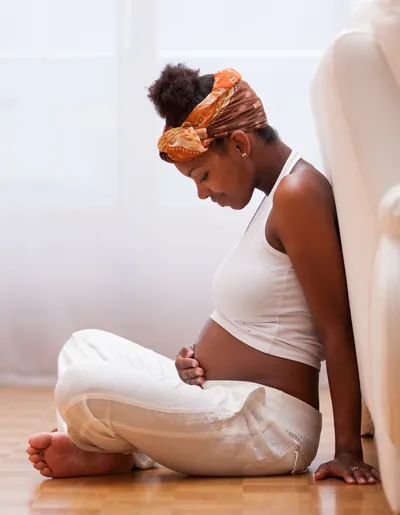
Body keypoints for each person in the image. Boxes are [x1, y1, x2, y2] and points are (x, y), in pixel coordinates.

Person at [27, 65, 380, 484]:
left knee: (81, 386)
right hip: (221, 400)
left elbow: (337, 329)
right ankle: (111, 449)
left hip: (268, 428)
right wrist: (194, 363)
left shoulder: (298, 194)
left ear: (238, 143)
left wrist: (346, 452)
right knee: (83, 347)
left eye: (203, 175)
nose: (202, 192)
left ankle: (109, 449)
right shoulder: (276, 198)